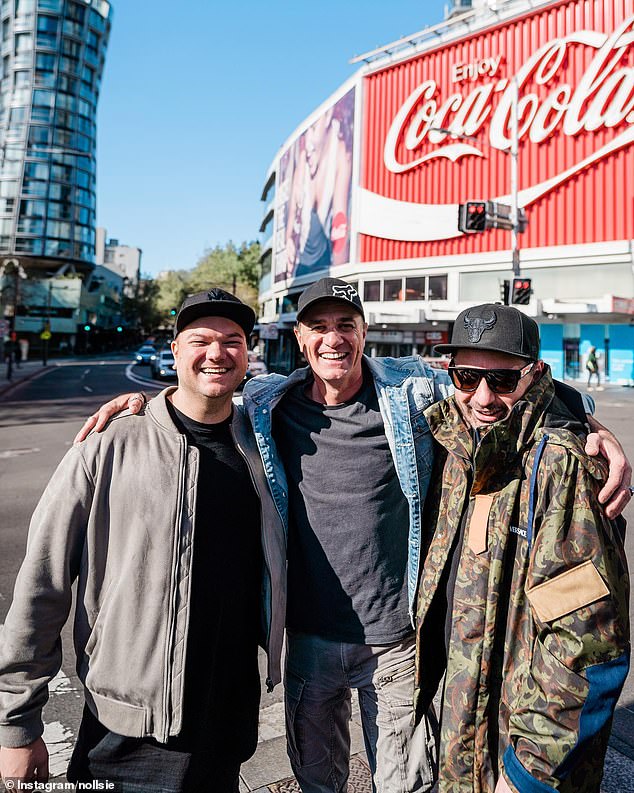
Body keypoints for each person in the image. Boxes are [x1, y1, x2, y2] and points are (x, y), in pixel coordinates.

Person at [76, 279, 632, 793]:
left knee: (403, 782)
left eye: (346, 325)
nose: (333, 339)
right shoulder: (270, 405)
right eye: (319, 327)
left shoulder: (410, 395)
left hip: (394, 644)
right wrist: (139, 409)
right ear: (299, 338)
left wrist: (590, 424)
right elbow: (199, 403)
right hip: (309, 642)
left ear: (363, 334)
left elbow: (503, 384)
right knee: (318, 778)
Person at [0, 288, 286, 793]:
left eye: (233, 341)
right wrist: (18, 725)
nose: (217, 353)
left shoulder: (265, 447)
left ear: (248, 353)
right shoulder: (108, 444)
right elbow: (41, 585)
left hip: (227, 720)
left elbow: (338, 376)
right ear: (173, 349)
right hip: (126, 733)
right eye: (200, 340)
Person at [413, 304, 630, 793]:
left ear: (535, 374)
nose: (483, 397)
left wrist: (528, 772)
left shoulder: (561, 465)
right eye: (467, 377)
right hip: (462, 740)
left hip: (521, 760)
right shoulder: (454, 441)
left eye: (504, 380)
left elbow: (587, 642)